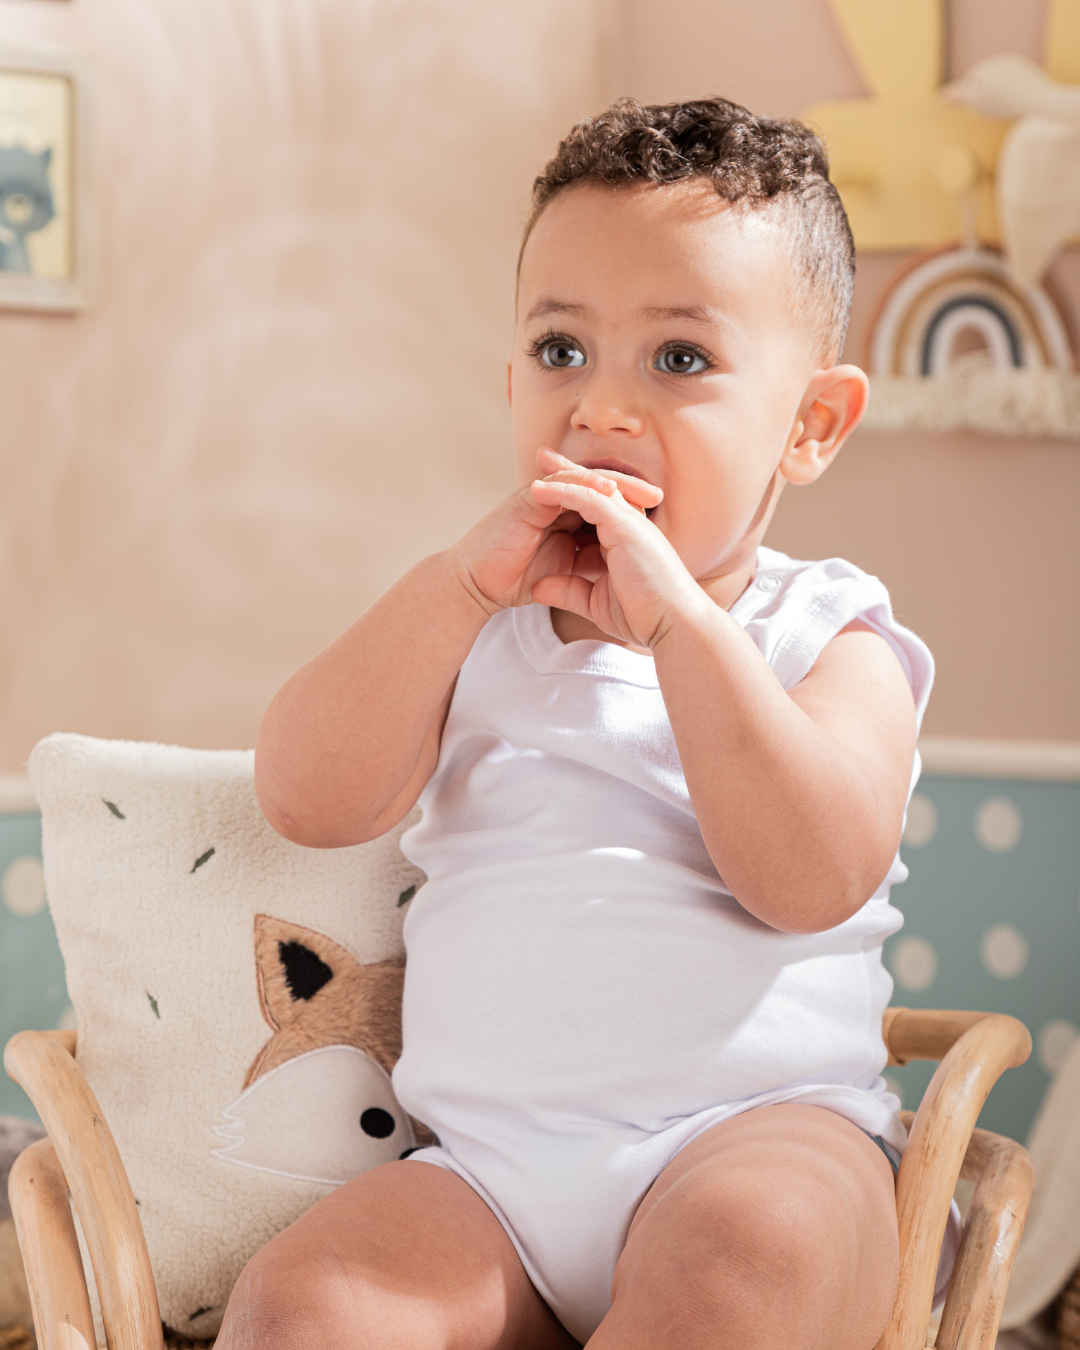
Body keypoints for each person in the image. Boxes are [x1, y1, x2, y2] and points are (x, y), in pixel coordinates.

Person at [220, 96, 937, 1350]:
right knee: (301, 1306)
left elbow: (813, 876)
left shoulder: (828, 635)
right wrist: (452, 587)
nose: (602, 410)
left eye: (678, 359)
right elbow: (304, 795)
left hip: (758, 1138)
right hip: (490, 1180)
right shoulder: (474, 624)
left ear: (811, 425)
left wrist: (684, 635)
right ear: (509, 380)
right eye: (561, 353)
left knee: (752, 1260)